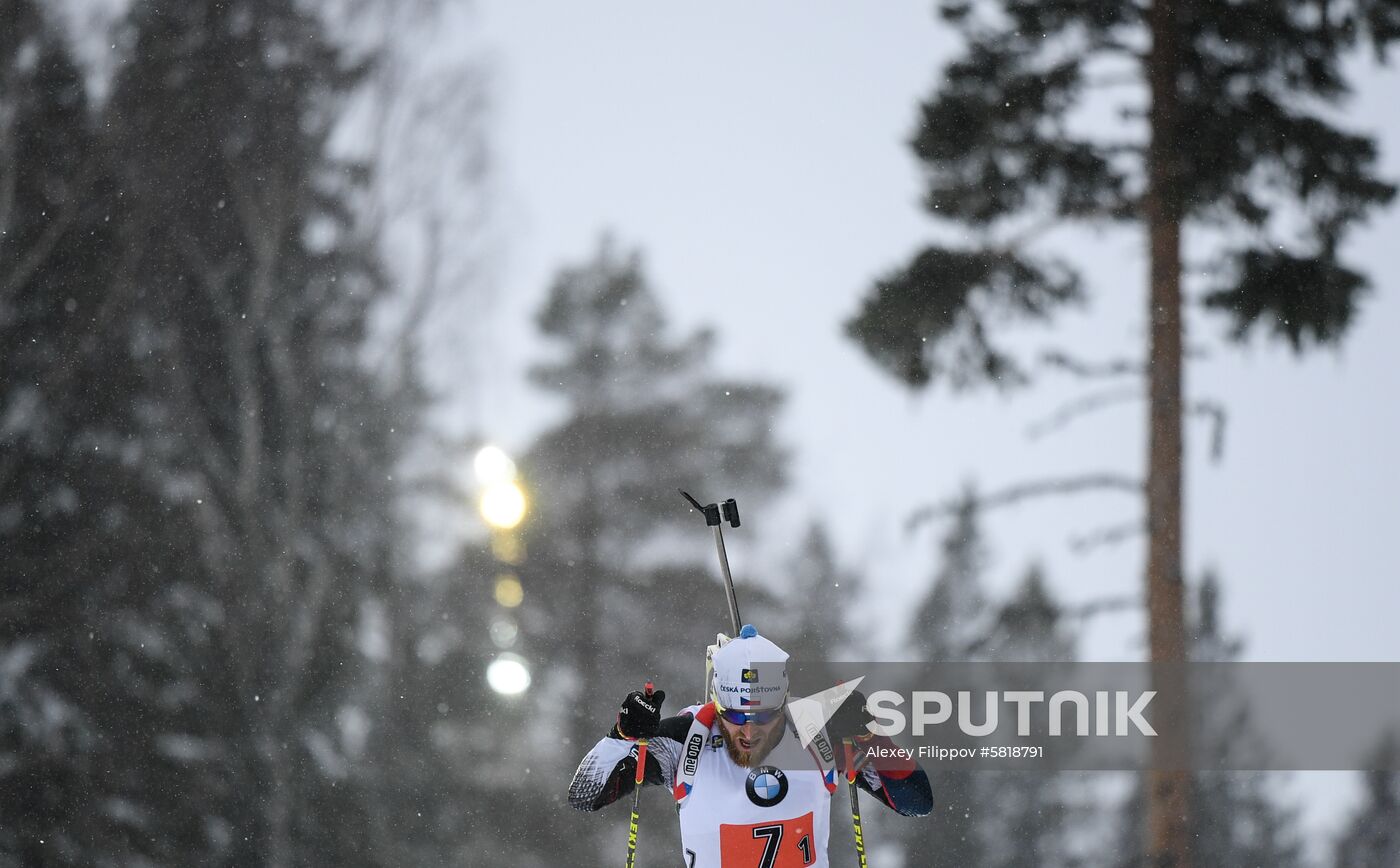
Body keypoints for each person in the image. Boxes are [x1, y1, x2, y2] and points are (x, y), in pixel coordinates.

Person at [569, 624, 932, 866]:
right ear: (716, 702)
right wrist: (622, 735)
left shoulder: (815, 727)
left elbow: (916, 801)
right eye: (735, 716)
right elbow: (585, 796)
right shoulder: (685, 738)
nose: (748, 731)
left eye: (762, 717)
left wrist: (871, 734)